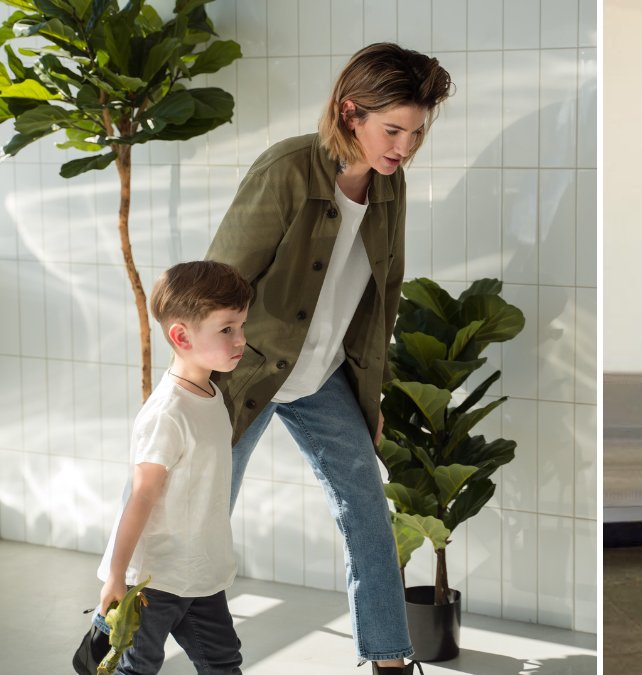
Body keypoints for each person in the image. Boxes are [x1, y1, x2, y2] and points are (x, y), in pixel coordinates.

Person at [205, 43, 452, 675]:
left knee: (367, 509)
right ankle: (117, 635)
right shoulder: (286, 171)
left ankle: (391, 659)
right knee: (198, 516)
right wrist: (197, 391)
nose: (403, 146)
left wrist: (368, 400)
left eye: (415, 132)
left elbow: (381, 302)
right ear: (350, 113)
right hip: (247, 371)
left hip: (322, 377)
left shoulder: (390, 190)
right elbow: (218, 286)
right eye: (392, 129)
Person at [74, 261, 253, 675]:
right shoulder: (166, 414)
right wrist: (117, 577)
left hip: (201, 575)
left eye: (242, 325)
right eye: (227, 329)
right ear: (181, 336)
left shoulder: (210, 393)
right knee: (137, 668)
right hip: (153, 582)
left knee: (224, 663)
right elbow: (141, 495)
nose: (241, 339)